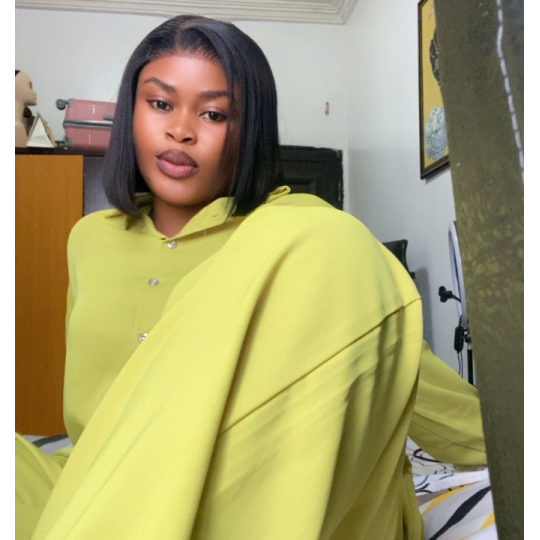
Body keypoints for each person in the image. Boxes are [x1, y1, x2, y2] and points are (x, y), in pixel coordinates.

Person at [15, 15, 486, 540]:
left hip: (246, 489)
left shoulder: (294, 240)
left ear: (250, 129)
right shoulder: (90, 239)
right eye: (161, 104)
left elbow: (391, 362)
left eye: (213, 113)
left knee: (329, 236)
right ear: (131, 111)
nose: (181, 130)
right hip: (102, 476)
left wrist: (505, 442)